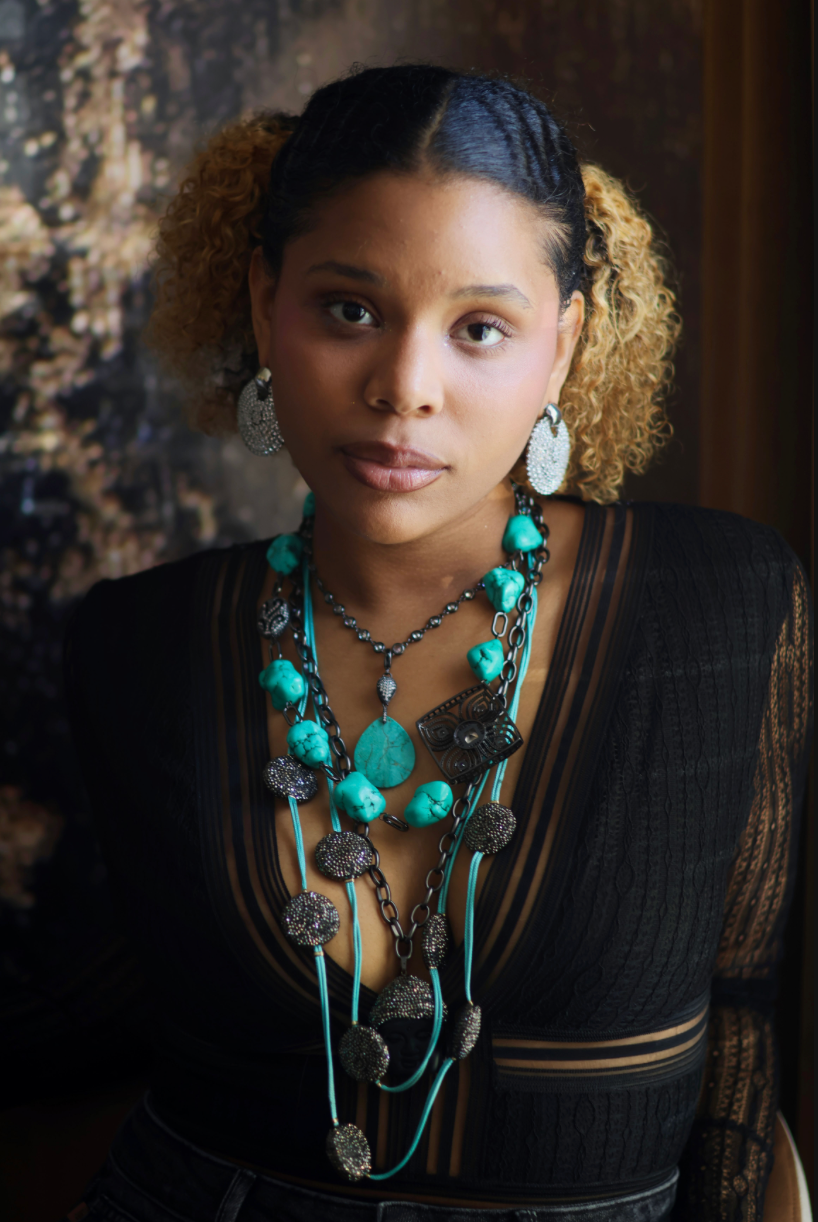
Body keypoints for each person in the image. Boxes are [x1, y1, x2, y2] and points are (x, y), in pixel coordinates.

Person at [62, 65, 812, 1222]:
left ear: (560, 348)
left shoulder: (718, 608)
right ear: (266, 304)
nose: (403, 387)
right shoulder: (140, 641)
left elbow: (745, 1009)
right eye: (348, 309)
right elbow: (96, 1006)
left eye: (479, 328)